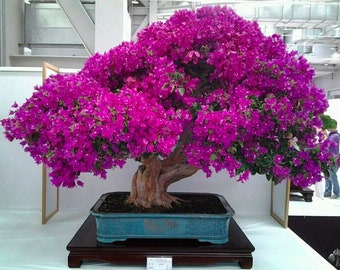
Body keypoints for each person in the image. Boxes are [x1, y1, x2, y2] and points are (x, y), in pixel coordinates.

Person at [324, 119, 340, 199]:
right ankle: (327, 192)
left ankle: (336, 193)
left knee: (332, 176)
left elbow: (328, 143)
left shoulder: (336, 136)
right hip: (329, 158)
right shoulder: (330, 134)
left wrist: (325, 135)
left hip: (334, 159)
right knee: (327, 175)